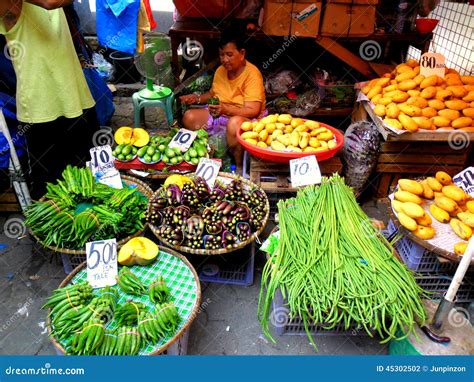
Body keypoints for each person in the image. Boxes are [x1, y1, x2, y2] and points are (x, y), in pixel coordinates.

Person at [0, 0, 98, 200]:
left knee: (89, 177)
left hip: (76, 97)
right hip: (40, 108)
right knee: (50, 190)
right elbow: (50, 2)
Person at [180, 31, 266, 172]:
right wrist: (197, 98)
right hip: (221, 114)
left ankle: (238, 167)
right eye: (222, 55)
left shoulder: (252, 74)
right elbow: (214, 93)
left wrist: (226, 110)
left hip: (247, 117)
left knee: (234, 124)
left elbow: (253, 110)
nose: (225, 59)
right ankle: (207, 156)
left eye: (229, 55)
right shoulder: (221, 71)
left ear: (242, 53)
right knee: (189, 117)